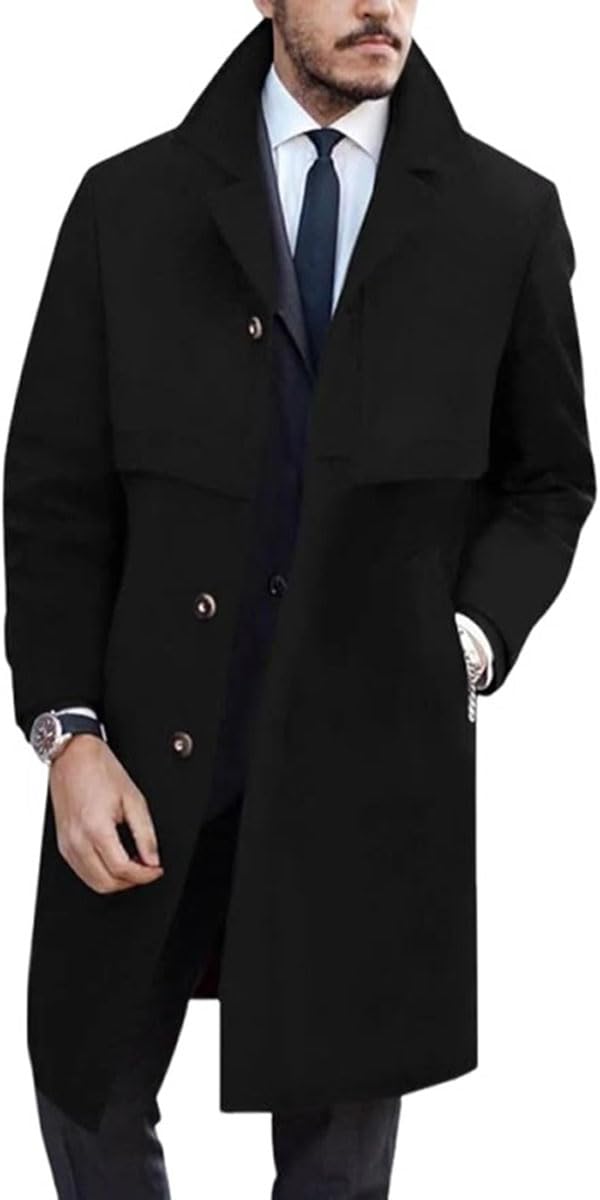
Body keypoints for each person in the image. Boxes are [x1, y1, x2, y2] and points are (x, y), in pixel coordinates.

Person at [3, 2, 595, 1196]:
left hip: (369, 768)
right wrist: (69, 735)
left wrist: (464, 643)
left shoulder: (505, 215)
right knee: (85, 1087)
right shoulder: (128, 206)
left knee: (338, 1164)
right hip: (152, 753)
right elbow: (56, 499)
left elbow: (548, 481)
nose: (381, 7)